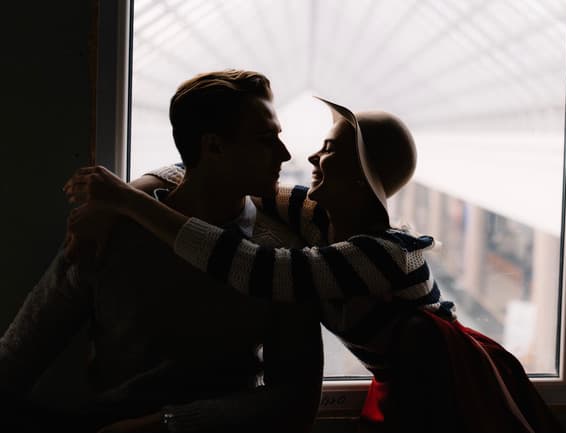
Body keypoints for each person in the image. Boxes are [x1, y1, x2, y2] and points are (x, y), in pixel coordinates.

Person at [64, 97, 563, 433]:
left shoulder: (385, 254)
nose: (310, 157)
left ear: (362, 178)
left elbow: (259, 270)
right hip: (405, 388)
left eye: (329, 150)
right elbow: (204, 172)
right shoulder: (319, 218)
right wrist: (121, 198)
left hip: (447, 391)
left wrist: (131, 208)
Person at [0, 69, 323, 433]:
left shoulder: (281, 257)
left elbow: (295, 402)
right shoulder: (110, 231)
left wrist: (167, 425)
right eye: (267, 139)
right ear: (213, 146)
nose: (284, 153)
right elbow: (18, 357)